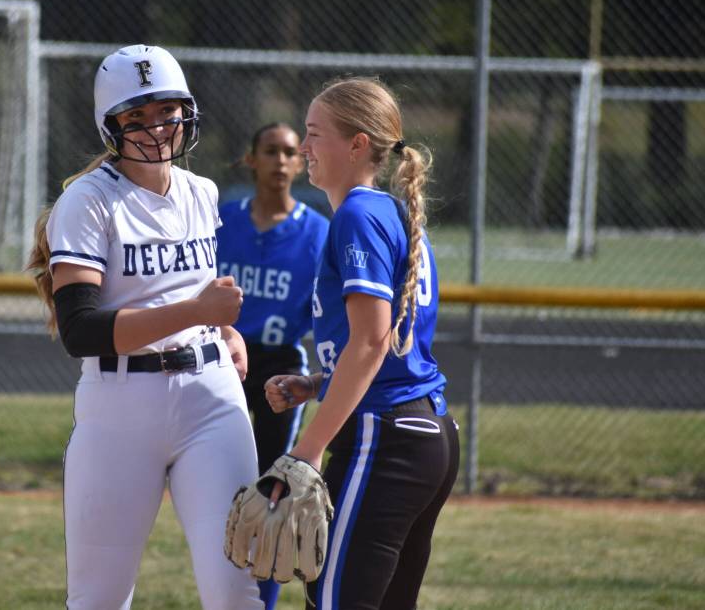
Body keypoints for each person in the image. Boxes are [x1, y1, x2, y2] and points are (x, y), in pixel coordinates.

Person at [26, 44, 263, 610]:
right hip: (121, 405)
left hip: (211, 398)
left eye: (166, 110)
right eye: (136, 116)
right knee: (99, 600)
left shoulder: (202, 192)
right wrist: (196, 314)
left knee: (236, 592)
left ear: (188, 112)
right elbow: (81, 330)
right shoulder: (89, 201)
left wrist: (221, 332)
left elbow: (189, 297)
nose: (156, 127)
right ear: (110, 126)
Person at [264, 77, 460, 610]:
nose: (304, 147)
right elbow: (391, 348)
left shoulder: (358, 215)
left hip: (385, 436)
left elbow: (372, 342)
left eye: (314, 134)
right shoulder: (392, 212)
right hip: (425, 431)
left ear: (356, 144)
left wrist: (306, 450)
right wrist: (317, 383)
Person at [215, 122, 329, 609]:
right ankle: (224, 588)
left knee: (273, 486)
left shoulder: (317, 231)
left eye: (289, 152)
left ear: (300, 162)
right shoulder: (224, 222)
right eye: (270, 151)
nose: (280, 161)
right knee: (220, 483)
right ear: (251, 160)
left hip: (281, 363)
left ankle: (262, 598)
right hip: (224, 358)